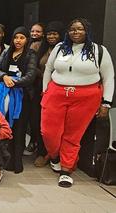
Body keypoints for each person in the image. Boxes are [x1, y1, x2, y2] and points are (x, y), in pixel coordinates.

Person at [41, 18, 114, 187]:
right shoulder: (60, 48)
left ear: (87, 31)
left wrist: (106, 103)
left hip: (86, 97)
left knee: (73, 135)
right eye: (72, 29)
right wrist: (45, 90)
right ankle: (54, 156)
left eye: (80, 29)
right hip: (56, 92)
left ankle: (66, 170)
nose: (76, 32)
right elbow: (48, 69)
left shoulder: (99, 51)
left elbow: (109, 77)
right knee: (48, 132)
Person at [0, 26, 37, 174]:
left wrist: (14, 82)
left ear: (27, 40)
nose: (18, 41)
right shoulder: (7, 51)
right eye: (16, 37)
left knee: (19, 129)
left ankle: (17, 162)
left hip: (22, 97)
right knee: (5, 127)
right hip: (4, 96)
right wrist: (5, 77)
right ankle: (5, 160)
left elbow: (31, 76)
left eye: (22, 38)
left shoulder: (31, 54)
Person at [29, 21, 64, 165]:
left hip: (59, 91)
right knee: (38, 122)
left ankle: (55, 154)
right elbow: (32, 66)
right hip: (39, 90)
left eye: (54, 33)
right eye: (49, 34)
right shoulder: (40, 48)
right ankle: (42, 151)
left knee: (55, 125)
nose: (51, 36)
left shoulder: (66, 49)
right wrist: (41, 75)